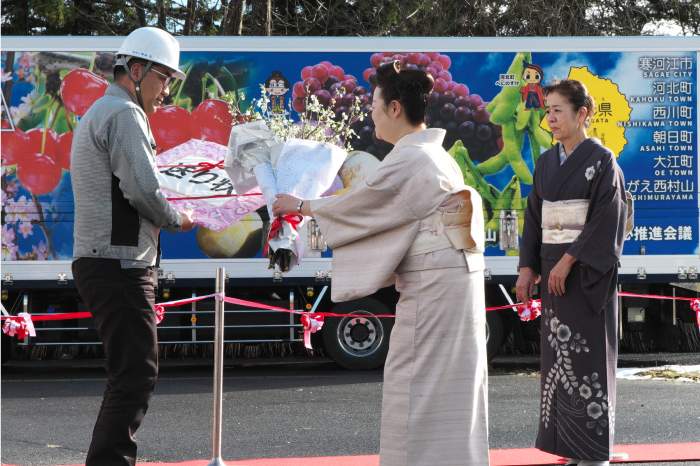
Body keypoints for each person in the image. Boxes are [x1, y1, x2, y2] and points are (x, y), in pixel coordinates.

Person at [272, 61, 490, 466]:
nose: (371, 115)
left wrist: (302, 205)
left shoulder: (414, 158)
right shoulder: (432, 155)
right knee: (449, 383)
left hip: (435, 285)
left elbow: (363, 203)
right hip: (451, 279)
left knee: (414, 379)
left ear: (394, 108)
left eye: (374, 107)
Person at [70, 27, 195, 466]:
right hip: (119, 264)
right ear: (137, 71)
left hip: (107, 262)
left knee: (128, 375)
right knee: (135, 375)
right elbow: (143, 189)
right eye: (164, 78)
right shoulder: (124, 113)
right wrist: (178, 219)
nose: (167, 91)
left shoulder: (104, 109)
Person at [516, 79, 628, 466]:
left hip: (585, 275)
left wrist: (567, 261)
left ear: (582, 114)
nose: (550, 118)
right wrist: (527, 267)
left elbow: (606, 219)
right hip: (552, 273)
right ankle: (570, 446)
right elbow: (535, 217)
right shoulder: (547, 161)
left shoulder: (603, 160)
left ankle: (594, 450)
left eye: (558, 110)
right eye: (547, 110)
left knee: (588, 357)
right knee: (560, 359)